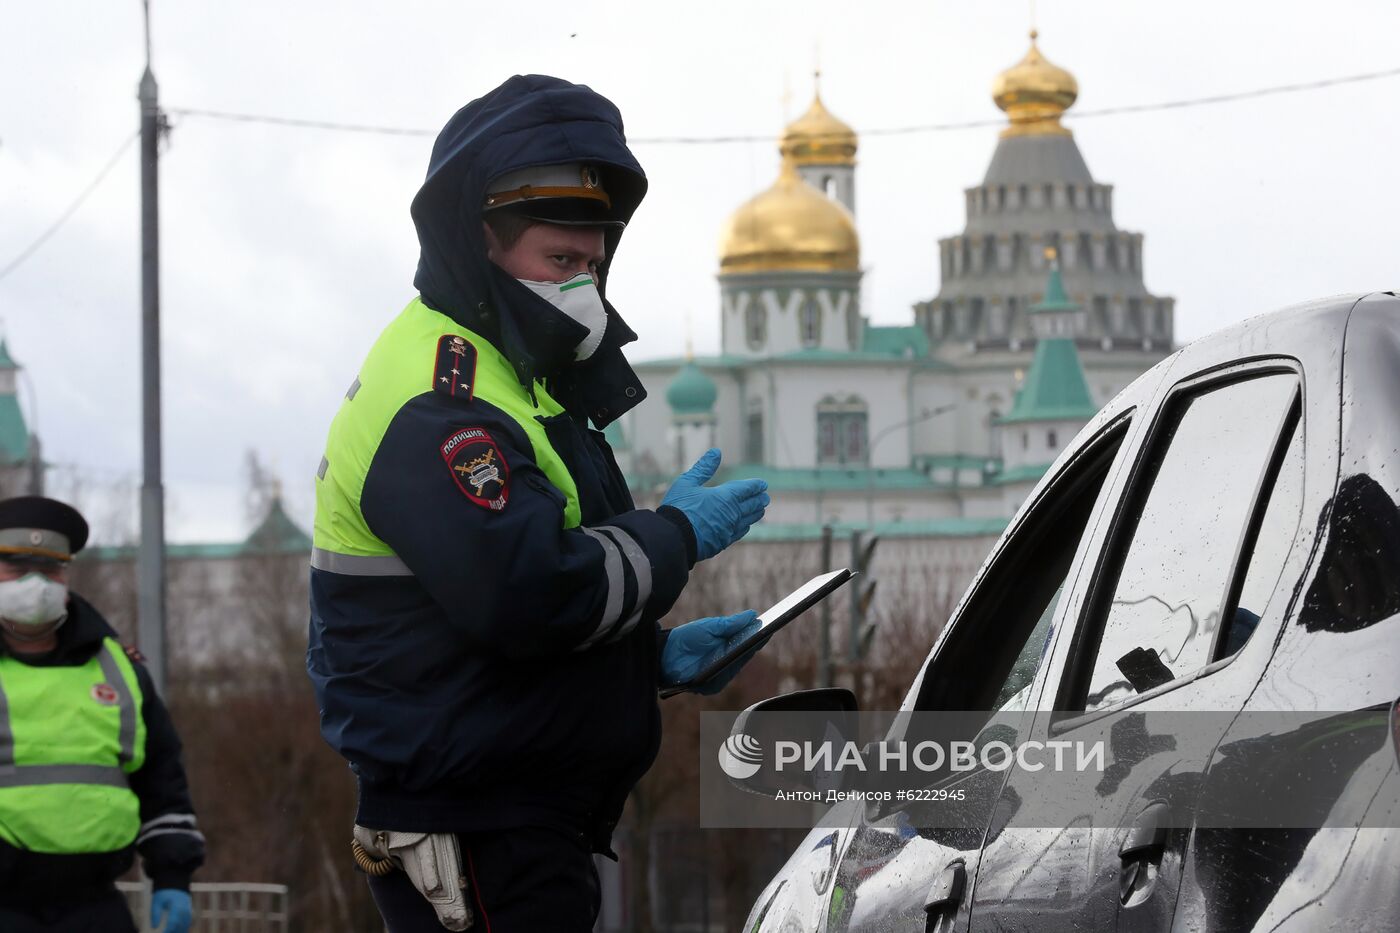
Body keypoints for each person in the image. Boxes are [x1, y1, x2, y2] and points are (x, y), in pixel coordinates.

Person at [307, 74, 770, 931]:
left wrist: (642, 660)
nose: (581, 285)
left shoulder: (514, 377)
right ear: (482, 240)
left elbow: (489, 613)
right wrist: (673, 535)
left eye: (592, 264)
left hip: (511, 816)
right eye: (560, 261)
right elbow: (529, 593)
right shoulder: (443, 396)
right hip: (476, 826)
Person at [0, 496, 203, 933]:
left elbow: (162, 779)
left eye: (51, 570)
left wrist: (173, 875)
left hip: (93, 906)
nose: (36, 584)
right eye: (17, 569)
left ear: (67, 574)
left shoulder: (119, 669)